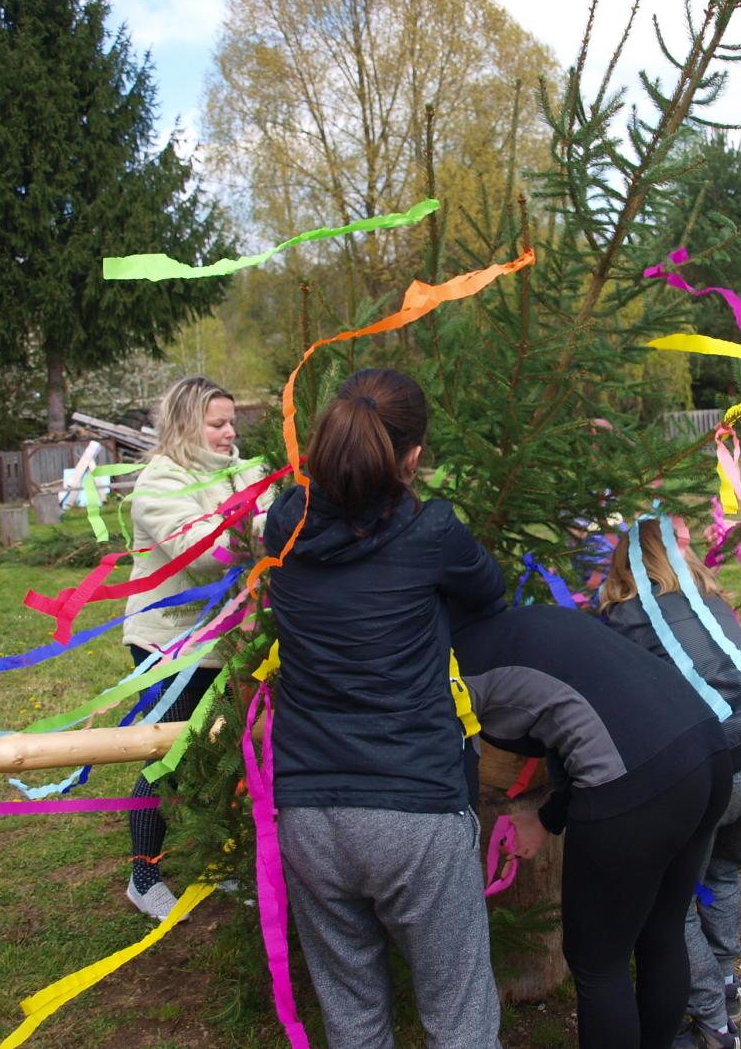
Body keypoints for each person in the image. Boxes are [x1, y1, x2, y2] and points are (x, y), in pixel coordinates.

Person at [264, 368, 505, 1049]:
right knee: (460, 1021)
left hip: (310, 814)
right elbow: (489, 590)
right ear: (414, 456)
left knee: (353, 1022)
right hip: (416, 810)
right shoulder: (431, 533)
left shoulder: (284, 524)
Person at [452, 603, 731, 1049]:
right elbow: (585, 717)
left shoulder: (453, 668)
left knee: (598, 963)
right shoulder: (530, 622)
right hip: (707, 750)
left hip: (639, 783)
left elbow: (456, 768)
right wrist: (547, 818)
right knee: (662, 931)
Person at [600, 519, 741, 1049]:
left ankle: (712, 1023)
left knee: (673, 904)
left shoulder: (624, 619)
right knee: (723, 874)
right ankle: (724, 981)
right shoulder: (711, 602)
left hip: (708, 773)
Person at [122, 376, 271, 920]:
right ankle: (144, 876)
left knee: (224, 754)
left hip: (235, 639)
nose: (230, 433)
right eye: (217, 424)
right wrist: (261, 527)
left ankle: (216, 862)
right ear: (186, 424)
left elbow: (272, 524)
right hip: (170, 642)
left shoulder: (247, 471)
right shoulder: (160, 481)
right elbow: (201, 552)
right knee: (170, 753)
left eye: (232, 422)